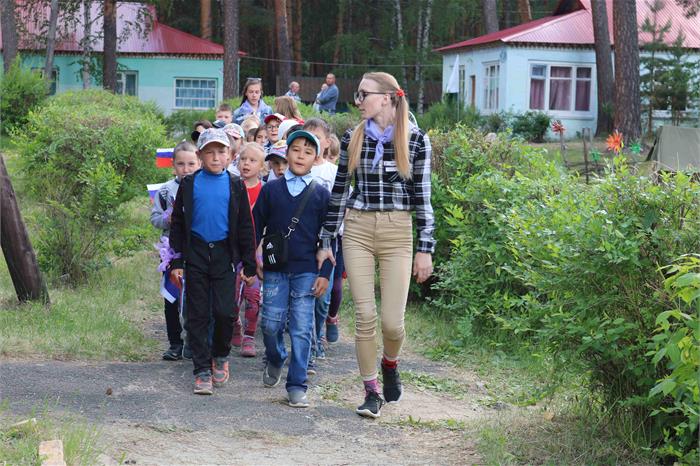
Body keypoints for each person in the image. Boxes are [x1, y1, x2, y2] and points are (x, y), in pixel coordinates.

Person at [317, 72, 435, 418]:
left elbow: (423, 199)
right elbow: (339, 192)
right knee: (365, 316)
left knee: (392, 324)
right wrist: (326, 240)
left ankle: (390, 363)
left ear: (386, 97)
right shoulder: (353, 137)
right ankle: (371, 392)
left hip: (398, 233)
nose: (358, 100)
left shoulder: (415, 140)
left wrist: (424, 248)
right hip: (357, 228)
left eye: (363, 94)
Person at [169, 128, 257, 395]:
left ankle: (220, 355)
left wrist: (249, 263)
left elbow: (244, 225)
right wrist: (177, 260)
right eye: (210, 152)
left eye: (221, 152)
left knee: (224, 312)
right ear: (200, 155)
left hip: (223, 256)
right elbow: (179, 224)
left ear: (230, 155)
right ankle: (201, 369)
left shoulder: (235, 184)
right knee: (196, 314)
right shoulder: (189, 184)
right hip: (195, 253)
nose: (216, 157)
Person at [254, 130, 334, 408]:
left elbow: (332, 238)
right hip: (275, 269)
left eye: (308, 151)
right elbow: (255, 225)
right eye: (296, 149)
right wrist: (253, 259)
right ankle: (276, 357)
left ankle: (297, 384)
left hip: (307, 270)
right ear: (286, 154)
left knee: (301, 328)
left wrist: (325, 274)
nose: (301, 155)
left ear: (316, 158)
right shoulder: (271, 189)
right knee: (271, 323)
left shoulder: (322, 195)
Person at [150, 141, 200, 361]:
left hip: (198, 249)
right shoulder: (164, 191)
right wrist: (166, 218)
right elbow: (154, 218)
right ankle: (174, 342)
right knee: (171, 296)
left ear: (199, 163)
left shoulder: (203, 187)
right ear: (173, 165)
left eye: (191, 164)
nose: (186, 169)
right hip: (172, 250)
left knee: (196, 297)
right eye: (181, 164)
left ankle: (193, 340)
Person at [304, 118, 338, 359]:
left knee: (321, 298)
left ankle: (317, 336)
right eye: (308, 137)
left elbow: (341, 208)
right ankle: (307, 344)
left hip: (329, 241)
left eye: (317, 137)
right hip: (302, 239)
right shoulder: (296, 168)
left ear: (327, 142)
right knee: (303, 295)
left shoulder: (334, 172)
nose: (313, 142)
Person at [231, 142, 266, 357]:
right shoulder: (232, 186)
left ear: (262, 167)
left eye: (253, 160)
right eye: (243, 159)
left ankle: (250, 336)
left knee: (253, 297)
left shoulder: (265, 191)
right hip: (234, 253)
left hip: (257, 252)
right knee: (233, 296)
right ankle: (235, 323)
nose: (247, 164)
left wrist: (259, 253)